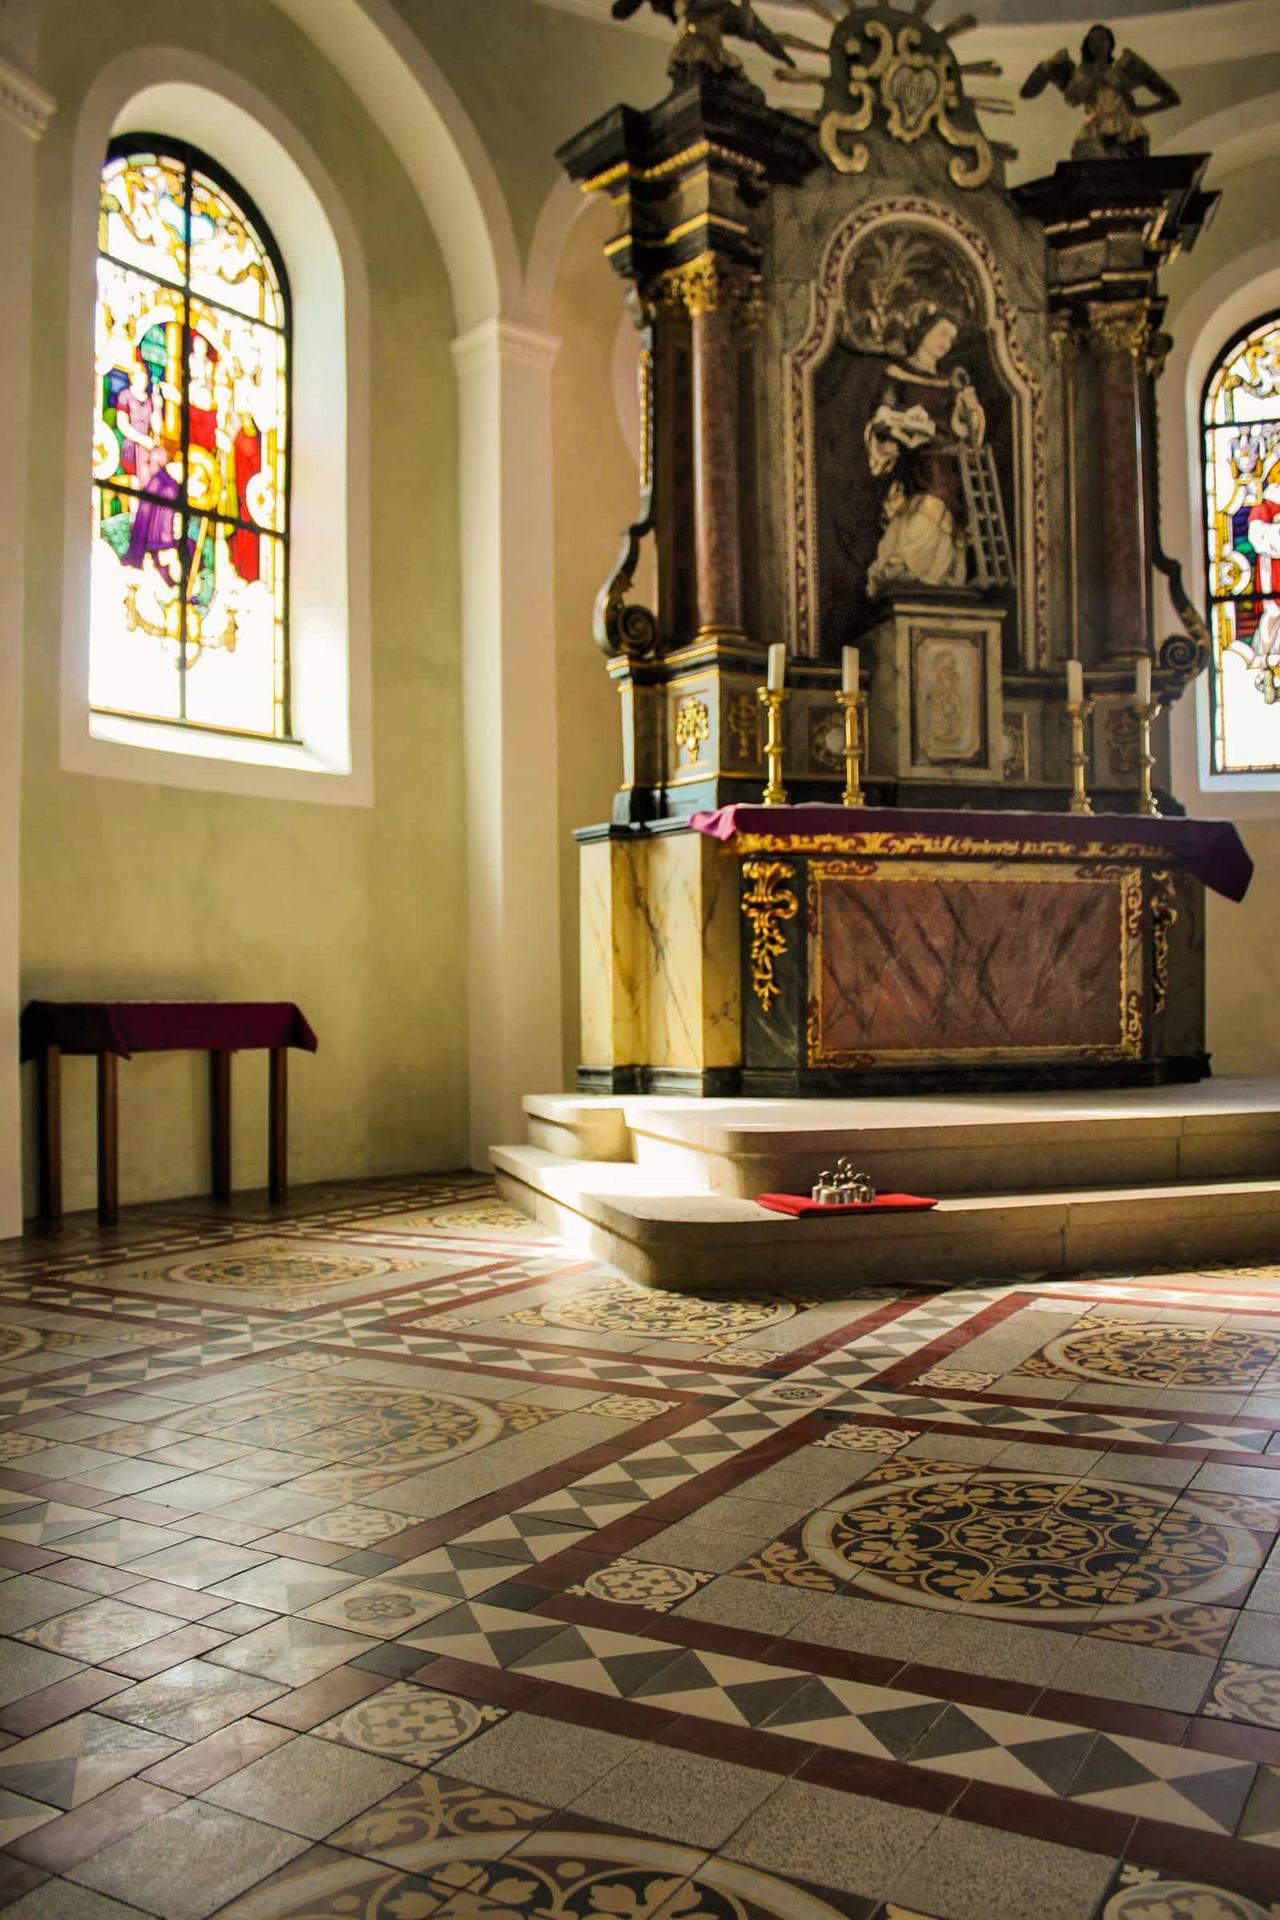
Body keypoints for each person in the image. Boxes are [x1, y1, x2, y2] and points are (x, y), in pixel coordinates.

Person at [864, 303, 986, 598]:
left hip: (946, 457)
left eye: (951, 339)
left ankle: (938, 571)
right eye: (941, 334)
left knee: (943, 493)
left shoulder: (949, 383)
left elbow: (963, 430)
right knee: (929, 494)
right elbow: (882, 414)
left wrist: (969, 409)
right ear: (923, 332)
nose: (945, 343)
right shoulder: (897, 373)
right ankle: (905, 561)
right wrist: (890, 435)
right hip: (912, 456)